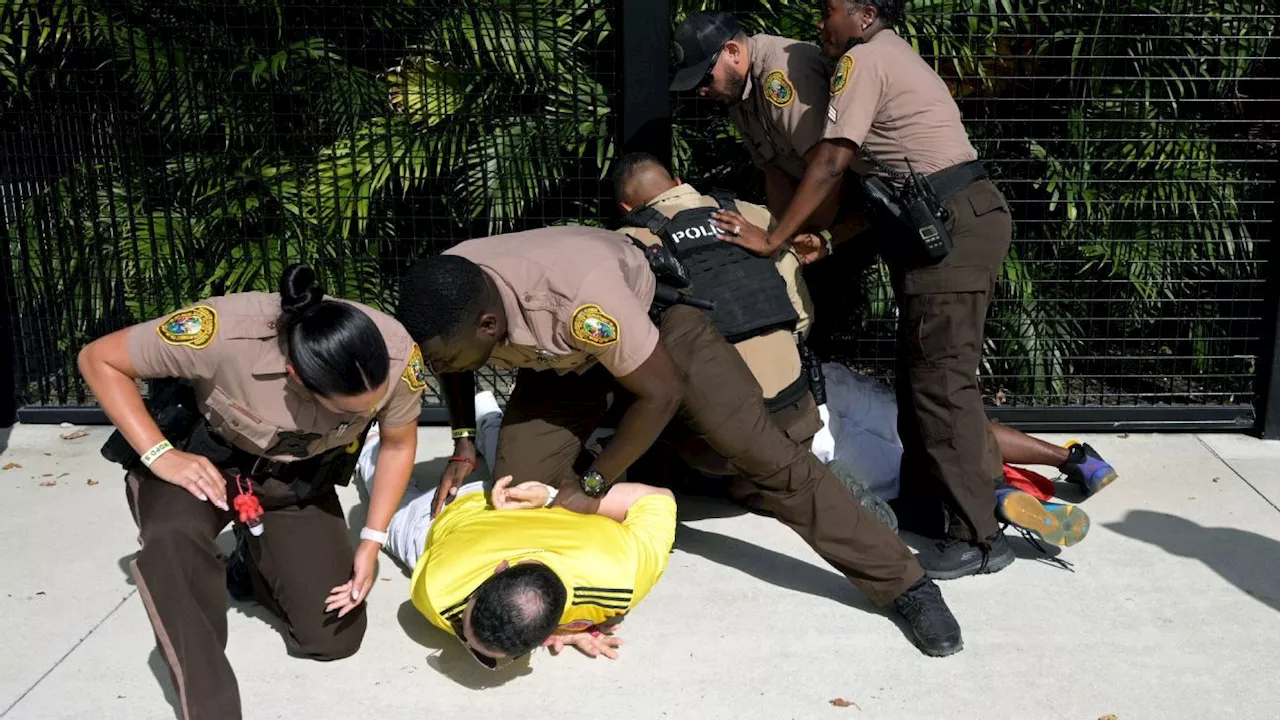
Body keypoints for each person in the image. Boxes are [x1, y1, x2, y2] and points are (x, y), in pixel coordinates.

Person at [394, 226, 967, 657]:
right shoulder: (453, 292)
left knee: (763, 456)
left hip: (658, 337)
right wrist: (464, 442)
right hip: (561, 364)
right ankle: (552, 591)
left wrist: (594, 484)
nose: (440, 365)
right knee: (517, 488)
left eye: (444, 356)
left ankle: (905, 584)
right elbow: (454, 361)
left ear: (488, 327)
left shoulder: (579, 301)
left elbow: (660, 392)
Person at [712, 0, 1019, 580]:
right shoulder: (879, 56)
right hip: (932, 222)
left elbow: (830, 163)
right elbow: (883, 187)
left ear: (866, 13)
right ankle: (934, 510)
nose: (819, 25)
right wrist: (826, 238)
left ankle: (978, 537)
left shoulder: (865, 59)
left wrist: (773, 237)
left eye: (827, 11)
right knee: (924, 376)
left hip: (951, 222)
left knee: (942, 382)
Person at [78, 264, 426, 720]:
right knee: (173, 542)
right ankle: (212, 709)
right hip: (203, 463)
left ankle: (252, 559)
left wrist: (372, 541)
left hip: (295, 478)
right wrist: (160, 453)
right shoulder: (223, 334)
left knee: (332, 637)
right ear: (296, 377)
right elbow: (98, 359)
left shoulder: (395, 352)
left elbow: (398, 443)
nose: (368, 413)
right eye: (350, 411)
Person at [354, 411, 677, 667]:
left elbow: (656, 498)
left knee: (514, 464)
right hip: (453, 513)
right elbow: (657, 497)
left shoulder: (627, 574)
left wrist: (554, 498)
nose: (462, 640)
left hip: (516, 498)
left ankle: (487, 414)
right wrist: (572, 625)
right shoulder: (438, 595)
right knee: (390, 503)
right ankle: (370, 443)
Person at [668, 11, 874, 264]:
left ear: (733, 51)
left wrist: (784, 242)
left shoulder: (779, 74)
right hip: (823, 212)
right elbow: (774, 171)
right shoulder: (736, 92)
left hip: (860, 207)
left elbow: (828, 172)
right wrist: (776, 233)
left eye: (706, 77)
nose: (701, 90)